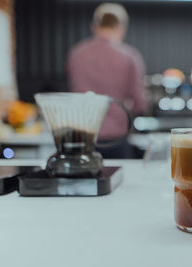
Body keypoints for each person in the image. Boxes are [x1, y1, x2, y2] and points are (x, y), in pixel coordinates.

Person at [67, 3, 146, 158]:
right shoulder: (130, 56)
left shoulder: (76, 54)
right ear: (121, 28)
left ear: (95, 26)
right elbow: (139, 104)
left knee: (84, 181)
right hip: (117, 139)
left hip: (83, 136)